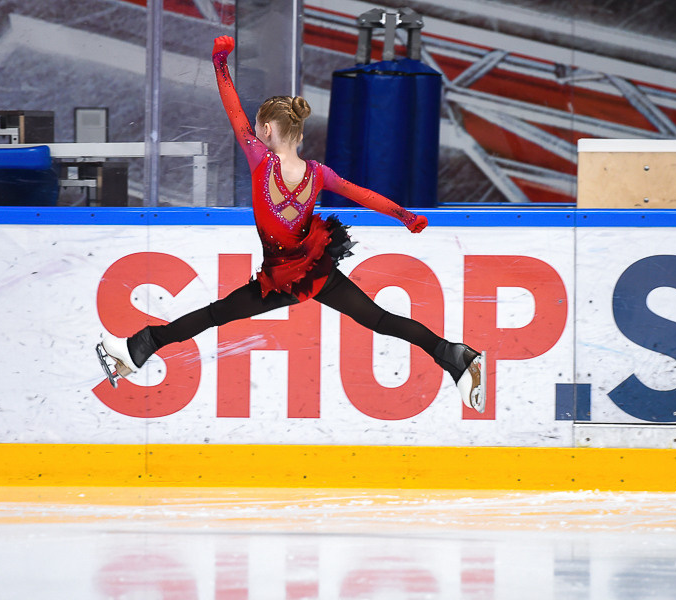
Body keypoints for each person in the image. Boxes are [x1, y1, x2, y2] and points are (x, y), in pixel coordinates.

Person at [98, 35, 485, 412]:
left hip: (284, 277)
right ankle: (453, 354)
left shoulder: (259, 159)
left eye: (257, 125)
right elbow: (362, 194)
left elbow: (232, 110)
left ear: (266, 130)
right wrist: (405, 216)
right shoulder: (318, 173)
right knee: (379, 319)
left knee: (214, 315)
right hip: (314, 268)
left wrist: (220, 65)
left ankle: (137, 348)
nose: (253, 129)